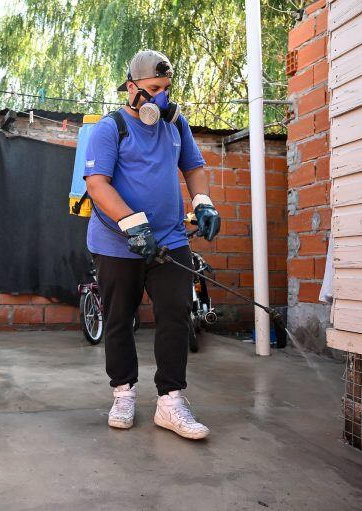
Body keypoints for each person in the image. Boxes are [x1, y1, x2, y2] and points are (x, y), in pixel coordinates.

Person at [83, 50, 220, 439]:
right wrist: (132, 224)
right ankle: (123, 392)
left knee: (176, 314)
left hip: (170, 239)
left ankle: (170, 402)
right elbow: (97, 186)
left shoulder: (176, 124)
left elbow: (194, 168)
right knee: (119, 318)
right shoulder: (110, 128)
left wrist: (203, 202)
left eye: (167, 89)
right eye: (154, 89)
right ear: (132, 88)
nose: (162, 98)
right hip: (116, 242)